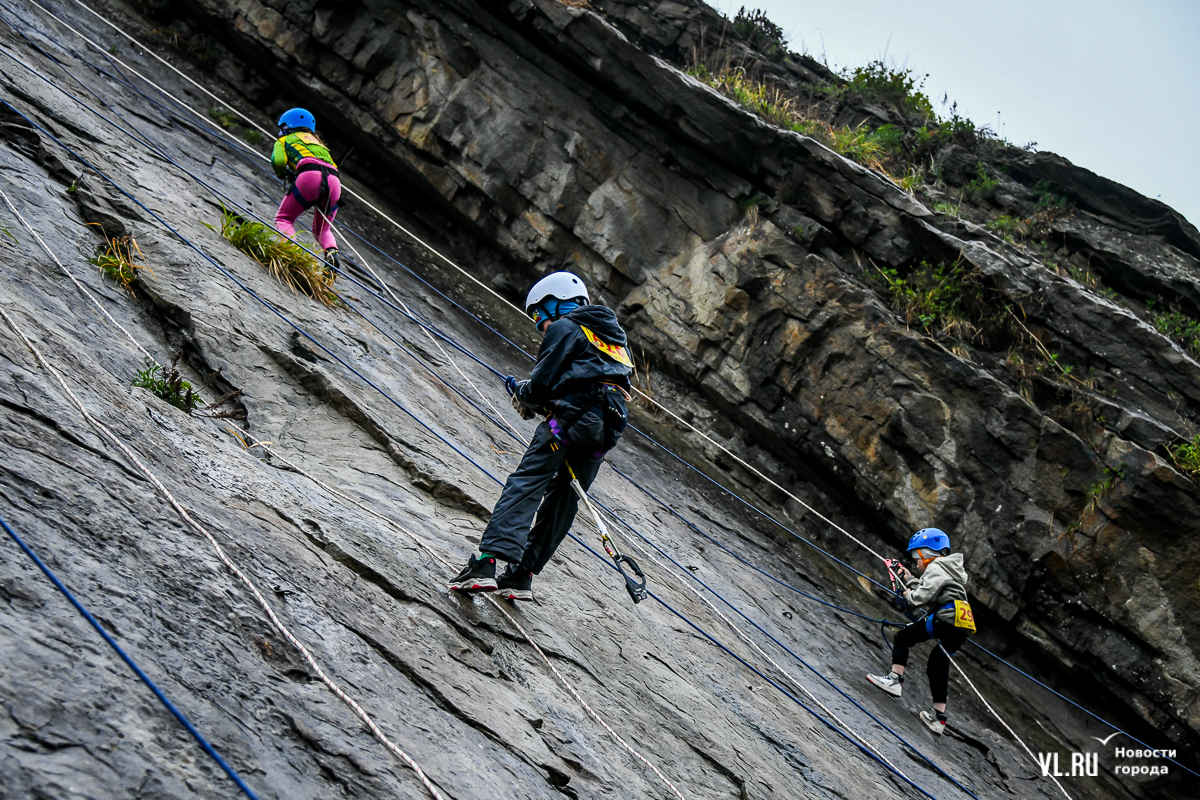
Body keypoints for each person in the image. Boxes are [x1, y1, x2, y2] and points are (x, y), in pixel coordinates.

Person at [449, 272, 633, 602]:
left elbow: (541, 386)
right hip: (601, 435)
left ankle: (486, 563)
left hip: (567, 421)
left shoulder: (566, 326)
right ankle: (521, 576)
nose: (539, 325)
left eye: (538, 315)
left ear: (555, 302)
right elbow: (591, 379)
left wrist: (522, 393)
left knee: (527, 482)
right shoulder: (617, 343)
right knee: (564, 501)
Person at [867, 528, 976, 735]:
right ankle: (939, 719)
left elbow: (920, 598)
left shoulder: (936, 568)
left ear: (926, 555)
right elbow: (932, 590)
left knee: (903, 637)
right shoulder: (951, 570)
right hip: (963, 624)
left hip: (946, 619)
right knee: (938, 663)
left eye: (917, 558)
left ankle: (894, 681)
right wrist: (909, 580)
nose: (916, 563)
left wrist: (908, 594)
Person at [271, 108, 341, 268]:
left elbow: (278, 161)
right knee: (323, 229)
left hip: (310, 175)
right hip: (335, 182)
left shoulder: (285, 140)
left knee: (284, 218)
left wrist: (283, 173)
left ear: (289, 126)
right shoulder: (321, 145)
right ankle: (331, 253)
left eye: (282, 128)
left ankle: (291, 254)